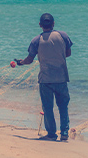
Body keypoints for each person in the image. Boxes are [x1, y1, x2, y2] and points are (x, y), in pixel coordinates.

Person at [15, 13, 73, 141]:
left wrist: (20, 62)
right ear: (53, 24)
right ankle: (64, 133)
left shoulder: (36, 40)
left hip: (45, 79)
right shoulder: (63, 36)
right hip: (61, 78)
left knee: (47, 108)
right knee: (63, 106)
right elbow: (68, 53)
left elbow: (29, 60)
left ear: (40, 25)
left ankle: (51, 134)